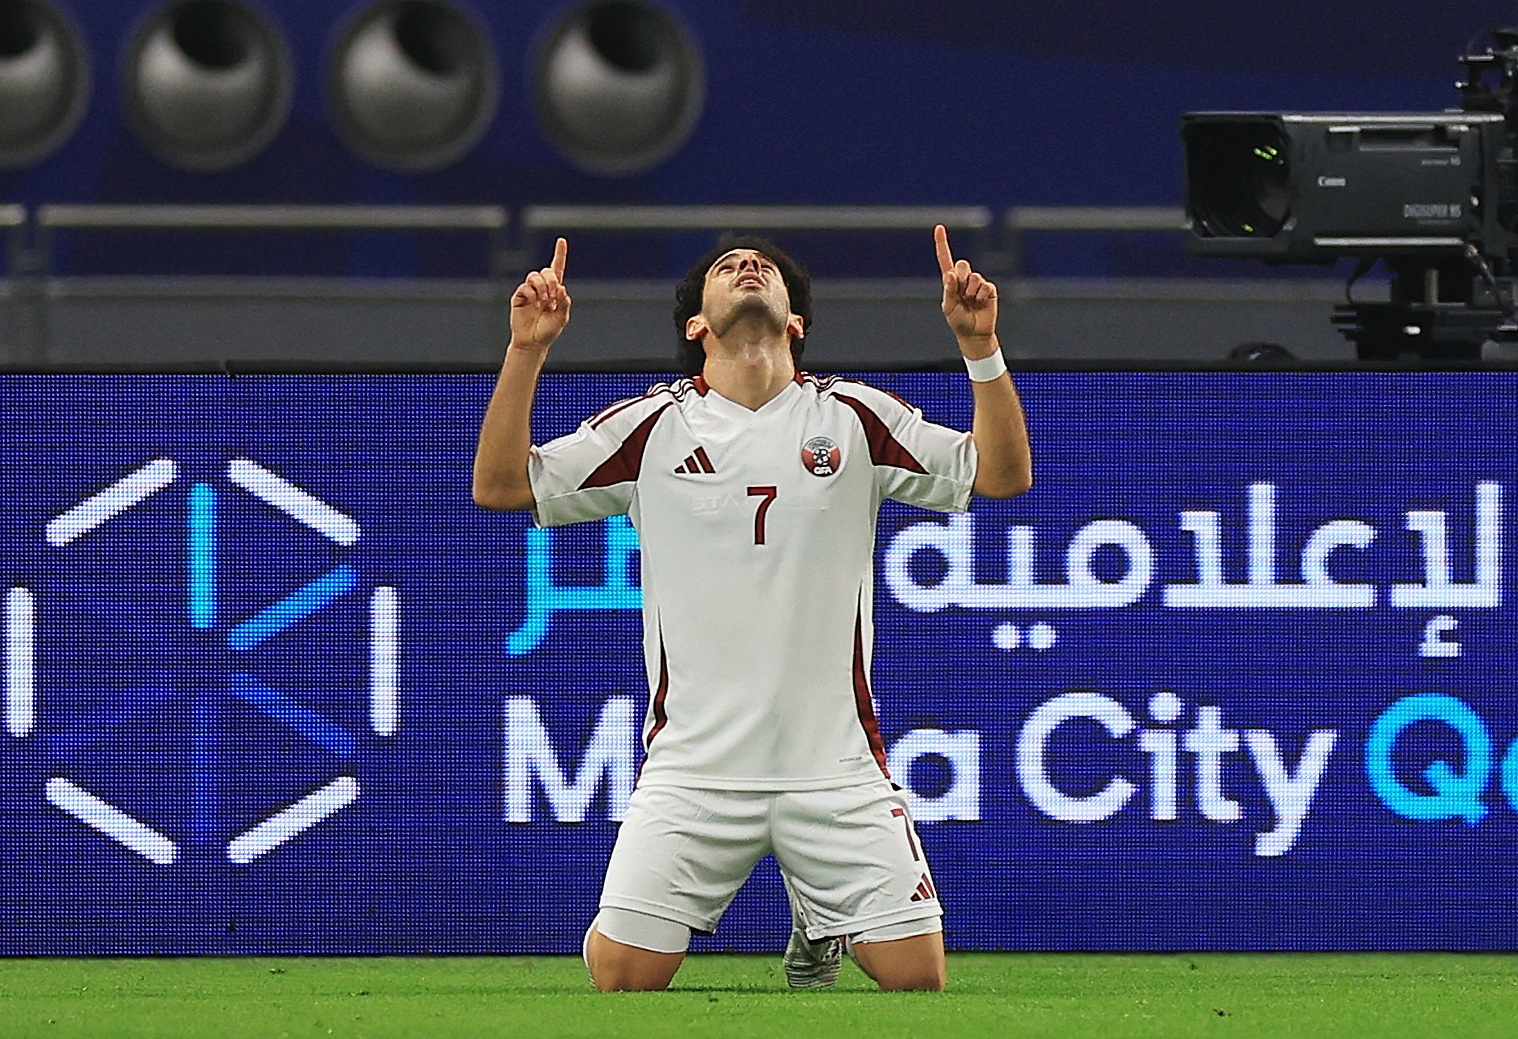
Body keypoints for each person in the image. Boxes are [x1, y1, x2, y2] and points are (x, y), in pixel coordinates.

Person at [473, 226, 1032, 992]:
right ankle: (738, 912)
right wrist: (527, 348)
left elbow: (1001, 474)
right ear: (695, 326)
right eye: (727, 267)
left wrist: (980, 346)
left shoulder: (853, 417)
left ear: (795, 322)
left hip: (835, 769)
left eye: (763, 266)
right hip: (695, 770)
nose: (747, 266)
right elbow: (501, 485)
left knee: (916, 978)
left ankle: (819, 919)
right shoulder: (652, 427)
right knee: (624, 979)